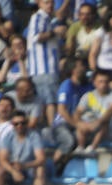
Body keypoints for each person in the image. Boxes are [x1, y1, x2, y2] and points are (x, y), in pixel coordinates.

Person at [45, 57, 92, 169]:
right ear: (73, 69)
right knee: (68, 141)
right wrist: (77, 125)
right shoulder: (67, 84)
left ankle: (63, 167)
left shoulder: (85, 86)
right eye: (80, 66)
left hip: (75, 124)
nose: (84, 68)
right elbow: (62, 110)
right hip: (61, 124)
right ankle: (53, 169)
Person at [27, 0, 68, 128]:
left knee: (45, 101)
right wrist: (55, 32)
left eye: (51, 2)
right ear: (39, 4)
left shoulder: (50, 20)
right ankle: (52, 129)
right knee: (50, 101)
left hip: (48, 69)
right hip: (44, 69)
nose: (50, 5)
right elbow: (36, 37)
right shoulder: (38, 16)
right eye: (46, 2)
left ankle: (47, 129)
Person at [0, 110, 47, 185]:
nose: (20, 126)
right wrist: (13, 172)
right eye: (16, 124)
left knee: (40, 170)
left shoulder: (34, 136)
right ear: (12, 124)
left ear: (26, 123)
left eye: (22, 123)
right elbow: (2, 159)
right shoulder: (8, 136)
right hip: (12, 167)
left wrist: (23, 166)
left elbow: (41, 159)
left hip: (29, 167)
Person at [74, 69, 112, 153]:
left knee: (104, 121)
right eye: (100, 81)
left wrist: (97, 123)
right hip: (95, 130)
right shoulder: (88, 96)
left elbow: (111, 110)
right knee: (82, 121)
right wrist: (79, 123)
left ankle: (92, 148)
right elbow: (78, 112)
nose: (103, 84)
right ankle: (80, 147)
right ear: (94, 82)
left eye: (106, 82)